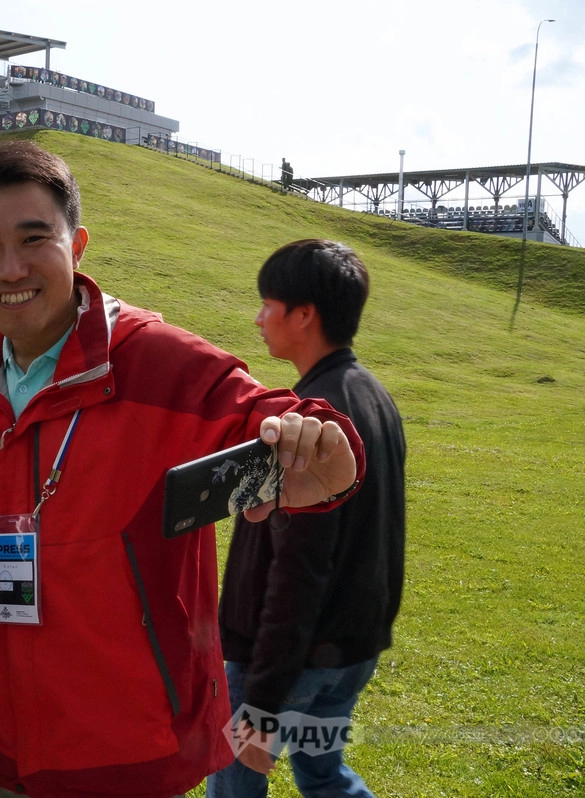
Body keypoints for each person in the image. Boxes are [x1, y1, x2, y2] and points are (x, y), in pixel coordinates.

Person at [0, 139, 364, 798]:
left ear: (77, 246)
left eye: (33, 238)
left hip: (127, 751)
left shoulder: (153, 359)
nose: (11, 267)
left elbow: (274, 421)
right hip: (2, 744)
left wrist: (318, 450)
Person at [208, 240, 406, 798]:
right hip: (350, 650)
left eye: (267, 304)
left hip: (286, 664)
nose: (258, 317)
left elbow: (298, 570)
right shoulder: (373, 394)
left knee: (234, 786)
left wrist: (263, 706)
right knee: (322, 774)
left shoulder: (309, 427)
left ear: (303, 315)